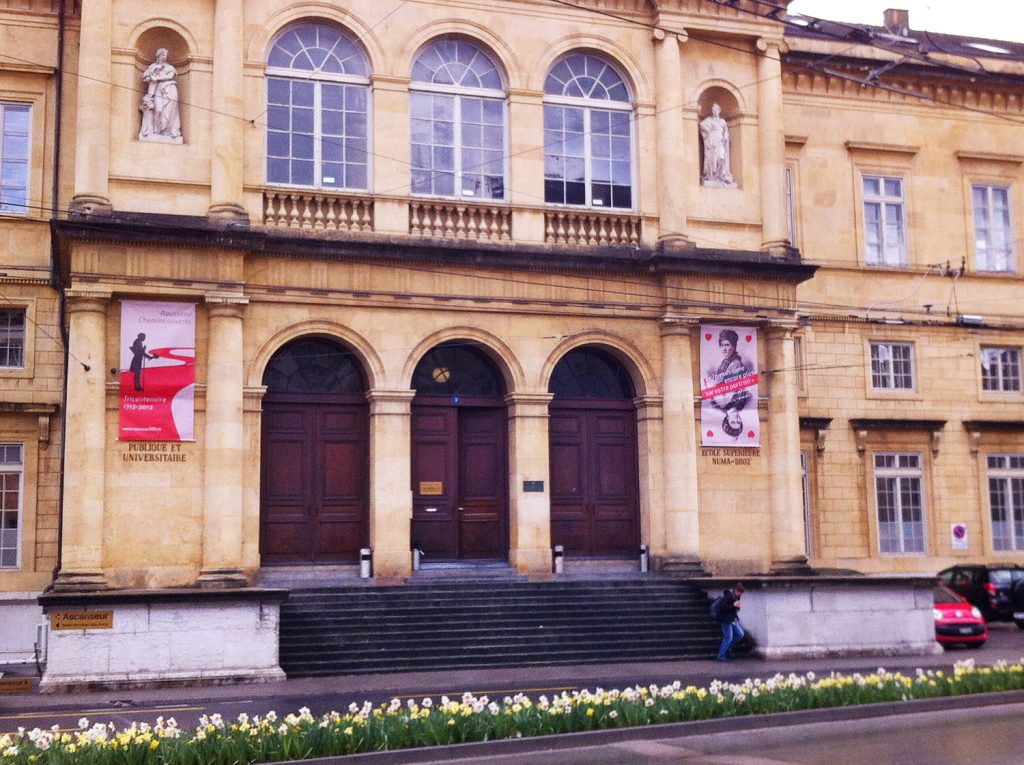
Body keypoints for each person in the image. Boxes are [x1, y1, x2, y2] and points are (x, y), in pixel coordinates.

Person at [139, 48, 182, 143]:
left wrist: (156, 78)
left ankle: (166, 132)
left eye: (166, 55)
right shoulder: (152, 66)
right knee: (158, 110)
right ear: (158, 55)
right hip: (157, 90)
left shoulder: (170, 67)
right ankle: (156, 130)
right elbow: (145, 76)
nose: (165, 57)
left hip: (168, 90)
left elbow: (170, 76)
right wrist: (151, 74)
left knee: (168, 111)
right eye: (163, 55)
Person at [699, 103, 734, 186]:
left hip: (720, 142)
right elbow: (702, 125)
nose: (714, 111)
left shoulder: (723, 121)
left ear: (719, 111)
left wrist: (726, 138)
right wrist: (708, 129)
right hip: (712, 140)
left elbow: (726, 132)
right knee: (712, 158)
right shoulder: (709, 119)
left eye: (716, 110)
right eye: (713, 110)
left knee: (721, 157)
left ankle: (720, 176)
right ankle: (712, 177)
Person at [714, 582, 745, 661]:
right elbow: (722, 607)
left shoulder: (737, 596)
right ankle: (721, 656)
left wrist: (737, 607)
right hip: (725, 618)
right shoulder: (728, 595)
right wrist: (733, 605)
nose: (740, 595)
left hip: (732, 618)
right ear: (736, 590)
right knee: (728, 637)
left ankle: (728, 648)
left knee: (740, 634)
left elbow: (735, 608)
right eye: (740, 593)